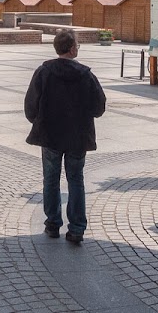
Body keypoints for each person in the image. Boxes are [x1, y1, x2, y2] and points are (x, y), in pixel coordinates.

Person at [25, 30, 107, 244]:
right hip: (77, 137)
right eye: (77, 45)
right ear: (71, 48)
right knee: (76, 180)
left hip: (50, 135)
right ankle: (77, 228)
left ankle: (52, 224)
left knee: (50, 180)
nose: (78, 47)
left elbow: (30, 106)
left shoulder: (44, 72)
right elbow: (99, 107)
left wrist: (38, 120)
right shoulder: (86, 75)